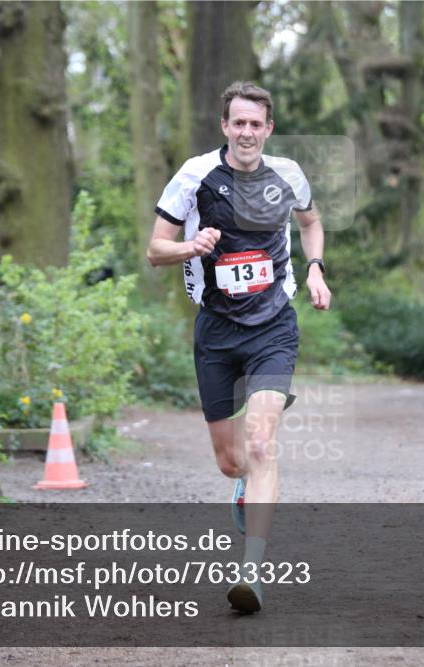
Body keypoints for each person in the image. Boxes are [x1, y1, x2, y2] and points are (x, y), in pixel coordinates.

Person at [146, 81, 332, 613]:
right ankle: (241, 489)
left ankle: (252, 570)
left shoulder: (288, 173)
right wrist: (190, 244)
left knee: (260, 441)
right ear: (225, 126)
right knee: (232, 462)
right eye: (238, 123)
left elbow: (312, 222)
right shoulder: (195, 175)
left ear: (268, 128)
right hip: (216, 332)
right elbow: (155, 249)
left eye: (257, 123)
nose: (247, 132)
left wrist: (315, 268)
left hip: (274, 325)